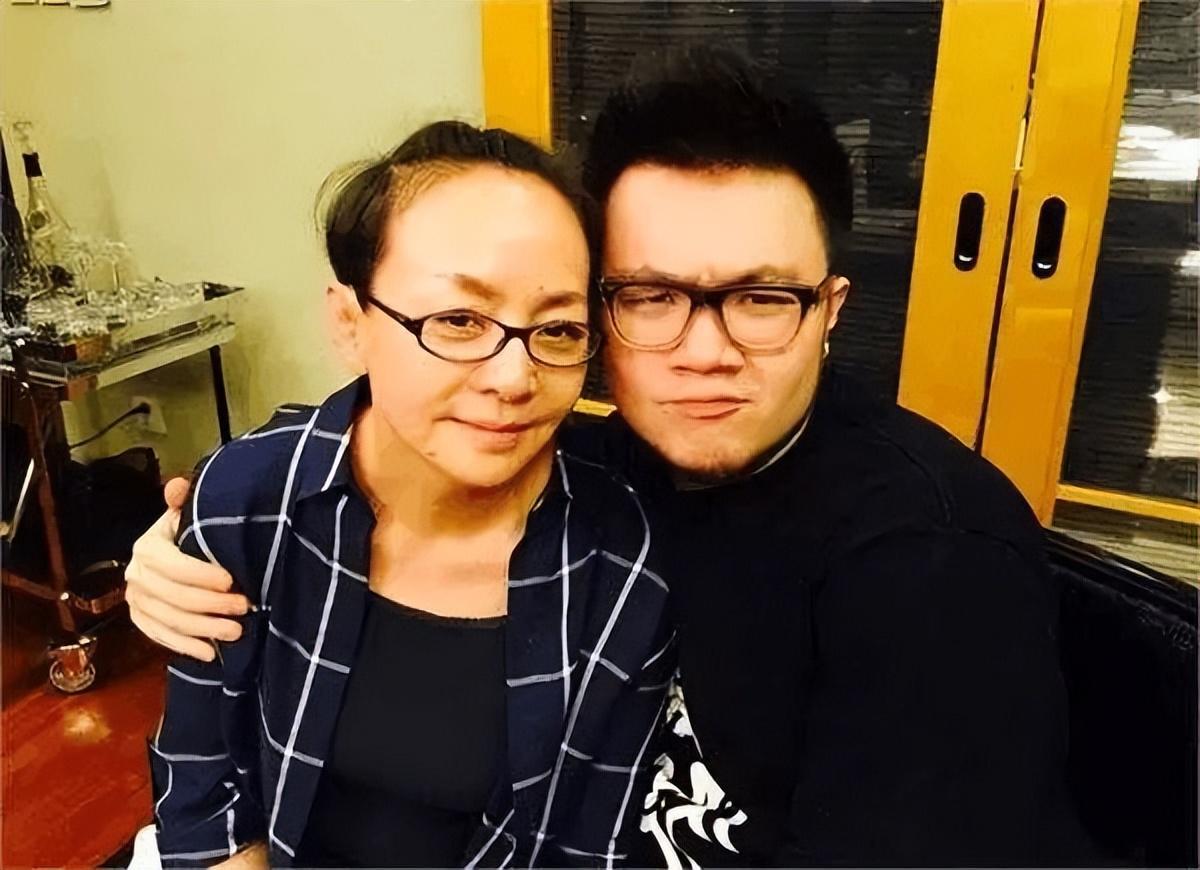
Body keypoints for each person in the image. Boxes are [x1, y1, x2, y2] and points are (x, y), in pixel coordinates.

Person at [128, 48, 1091, 867]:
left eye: (761, 299)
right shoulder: (603, 463)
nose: (705, 352)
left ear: (829, 310)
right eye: (651, 297)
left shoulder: (930, 563)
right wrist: (178, 541)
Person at [144, 121, 674, 869]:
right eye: (457, 320)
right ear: (349, 322)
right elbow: (204, 794)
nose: (513, 378)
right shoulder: (249, 502)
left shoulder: (624, 554)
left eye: (557, 330)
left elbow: (591, 844)